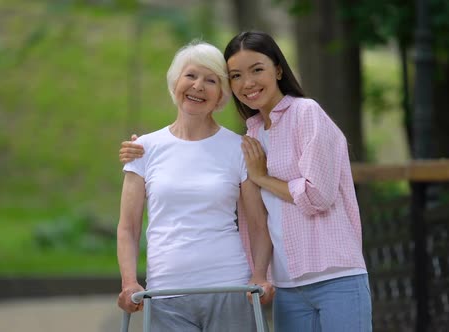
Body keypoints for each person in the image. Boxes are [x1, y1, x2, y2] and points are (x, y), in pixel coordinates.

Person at [120, 31, 372, 332]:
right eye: (237, 75)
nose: (248, 82)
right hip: (285, 282)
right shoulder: (253, 136)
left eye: (257, 70)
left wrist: (262, 178)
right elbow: (129, 226)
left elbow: (304, 200)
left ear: (277, 70)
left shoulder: (298, 117)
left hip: (330, 274)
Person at [116, 40, 271, 332]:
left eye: (211, 80)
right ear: (176, 81)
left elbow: (258, 222)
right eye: (191, 76)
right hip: (165, 294)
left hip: (230, 289)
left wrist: (260, 275)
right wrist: (129, 281)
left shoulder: (239, 148)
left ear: (221, 95)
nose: (198, 86)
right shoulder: (144, 149)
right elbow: (128, 227)